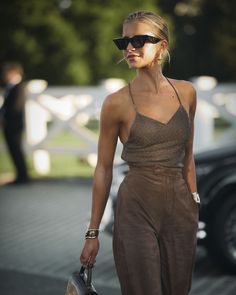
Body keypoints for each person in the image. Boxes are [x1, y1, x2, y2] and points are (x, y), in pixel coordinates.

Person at [80, 11, 200, 295]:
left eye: (139, 40)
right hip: (135, 208)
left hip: (181, 210)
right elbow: (103, 168)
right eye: (124, 42)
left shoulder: (187, 93)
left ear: (162, 46)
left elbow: (188, 155)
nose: (130, 48)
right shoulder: (116, 103)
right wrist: (92, 232)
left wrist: (194, 200)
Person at [0, 62, 29, 184]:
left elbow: (15, 107)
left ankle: (23, 176)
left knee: (16, 150)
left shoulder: (19, 87)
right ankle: (20, 176)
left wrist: (5, 117)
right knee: (13, 150)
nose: (4, 75)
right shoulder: (9, 87)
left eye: (6, 72)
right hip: (9, 124)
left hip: (14, 125)